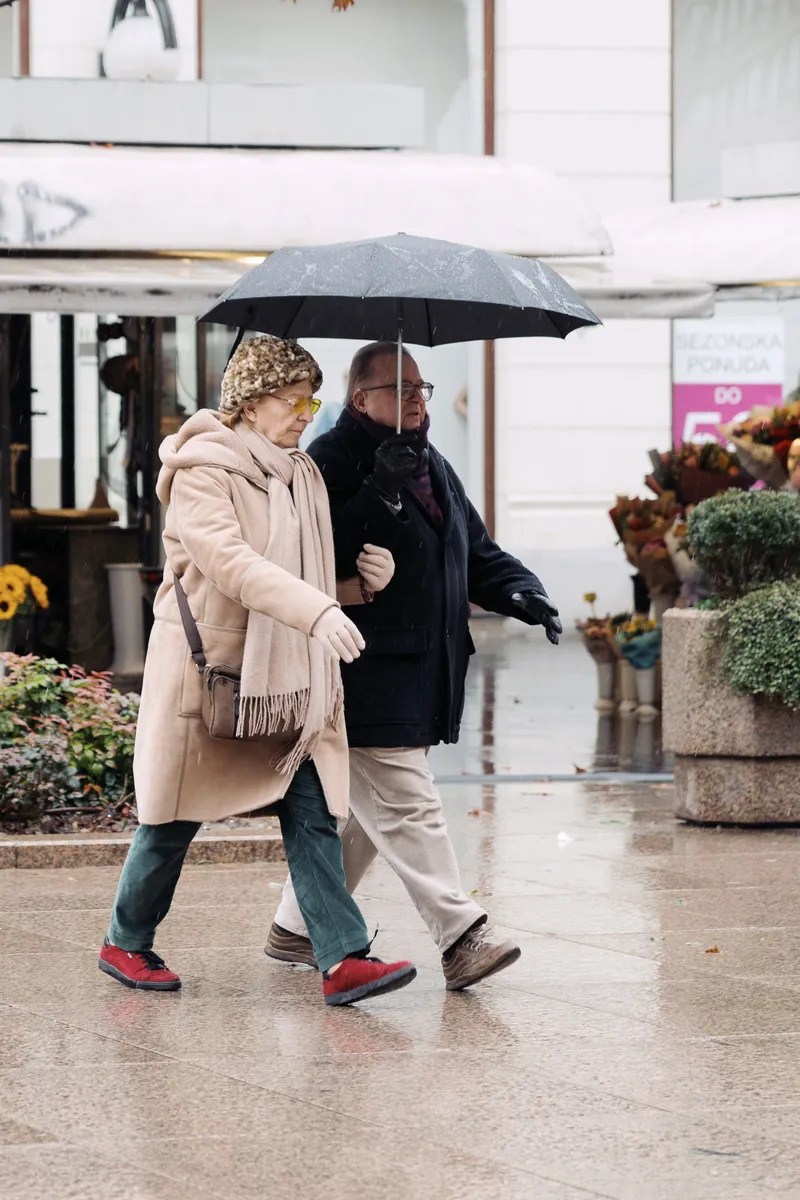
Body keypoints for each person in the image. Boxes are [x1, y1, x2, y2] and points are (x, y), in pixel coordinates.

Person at [99, 335, 417, 1007]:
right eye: (293, 398)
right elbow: (233, 565)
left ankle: (342, 957)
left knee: (311, 807)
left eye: (313, 398)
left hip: (282, 677)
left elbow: (301, 574)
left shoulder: (299, 472)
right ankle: (125, 941)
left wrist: (358, 587)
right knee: (172, 816)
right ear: (249, 401)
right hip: (207, 672)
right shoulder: (201, 471)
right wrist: (319, 611)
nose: (306, 413)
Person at [268, 341, 563, 990]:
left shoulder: (433, 463)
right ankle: (462, 937)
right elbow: (316, 551)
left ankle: (295, 926)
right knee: (405, 803)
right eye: (398, 389)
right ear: (360, 398)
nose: (414, 400)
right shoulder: (327, 459)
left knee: (372, 812)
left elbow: (474, 550)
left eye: (420, 388)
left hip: (423, 667)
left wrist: (523, 591)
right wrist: (380, 491)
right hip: (360, 667)